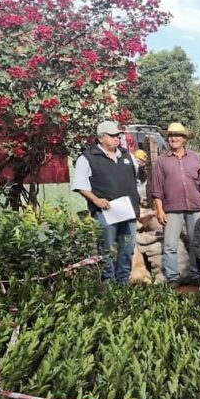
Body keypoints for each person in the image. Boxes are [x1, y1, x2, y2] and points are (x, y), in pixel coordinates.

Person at [71, 120, 140, 283]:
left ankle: (123, 281)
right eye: (113, 135)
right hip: (106, 212)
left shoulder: (126, 155)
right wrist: (96, 200)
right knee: (106, 249)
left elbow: (137, 179)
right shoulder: (88, 158)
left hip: (128, 211)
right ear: (101, 138)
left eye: (118, 135)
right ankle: (109, 282)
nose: (117, 138)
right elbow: (80, 185)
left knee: (128, 247)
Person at [151, 122, 200, 285]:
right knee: (170, 244)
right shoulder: (162, 161)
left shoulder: (195, 158)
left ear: (184, 139)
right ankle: (172, 278)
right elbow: (157, 189)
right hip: (172, 208)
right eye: (171, 135)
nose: (173, 138)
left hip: (195, 207)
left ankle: (196, 275)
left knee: (196, 242)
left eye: (177, 135)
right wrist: (159, 210)